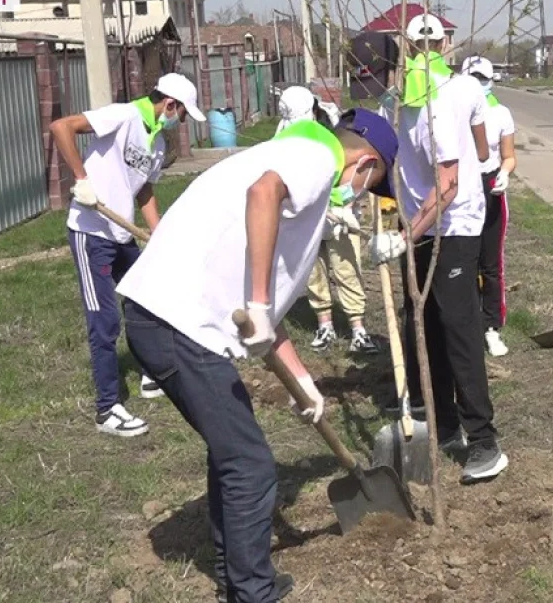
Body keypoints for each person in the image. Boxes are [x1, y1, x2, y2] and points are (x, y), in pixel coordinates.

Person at [115, 110, 398, 603]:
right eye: (370, 184)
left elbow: (265, 308)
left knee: (231, 451)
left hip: (164, 318)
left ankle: (238, 578)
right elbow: (264, 194)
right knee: (249, 465)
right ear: (366, 163)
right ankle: (252, 594)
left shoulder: (289, 157)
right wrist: (262, 306)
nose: (362, 192)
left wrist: (303, 381)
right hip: (177, 322)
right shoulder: (313, 156)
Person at [369, 13, 507, 484]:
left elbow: (448, 184)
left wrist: (403, 238)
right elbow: (408, 162)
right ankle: (444, 424)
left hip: (457, 221)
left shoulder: (446, 102)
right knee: (423, 321)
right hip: (422, 222)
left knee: (458, 324)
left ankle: (484, 438)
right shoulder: (404, 102)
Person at [51, 72, 205, 437]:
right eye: (182, 115)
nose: (180, 123)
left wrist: (158, 232)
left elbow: (144, 189)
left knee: (150, 301)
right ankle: (107, 409)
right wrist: (81, 179)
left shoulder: (157, 145)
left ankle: (153, 375)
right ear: (170, 104)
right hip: (92, 233)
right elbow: (61, 127)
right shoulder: (122, 116)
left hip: (122, 235)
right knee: (103, 321)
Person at [274, 87, 379, 353]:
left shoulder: (333, 127)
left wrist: (346, 201)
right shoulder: (283, 135)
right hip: (306, 214)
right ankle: (325, 325)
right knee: (313, 270)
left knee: (346, 268)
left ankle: (358, 329)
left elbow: (352, 172)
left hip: (338, 211)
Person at [461, 55, 517, 357]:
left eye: (482, 79)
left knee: (491, 263)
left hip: (490, 186)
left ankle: (492, 326)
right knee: (462, 259)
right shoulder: (453, 111)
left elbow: (509, 155)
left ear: (491, 81)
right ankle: (467, 323)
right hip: (462, 188)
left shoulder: (500, 113)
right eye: (472, 79)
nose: (477, 85)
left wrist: (505, 173)